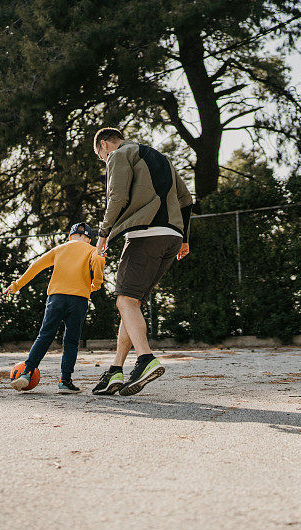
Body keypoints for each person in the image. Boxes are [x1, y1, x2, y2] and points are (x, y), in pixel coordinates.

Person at [90, 127, 193, 396]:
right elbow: (186, 199)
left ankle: (146, 359)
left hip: (146, 234)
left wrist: (103, 234)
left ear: (104, 145)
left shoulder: (120, 154)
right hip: (171, 237)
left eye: (101, 157)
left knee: (124, 300)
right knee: (131, 303)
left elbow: (118, 196)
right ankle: (116, 370)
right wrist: (184, 238)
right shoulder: (161, 157)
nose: (104, 161)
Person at [5, 223, 105, 393]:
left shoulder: (60, 249)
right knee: (71, 340)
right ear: (88, 238)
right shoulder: (91, 250)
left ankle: (27, 372)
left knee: (45, 335)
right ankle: (65, 381)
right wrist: (95, 284)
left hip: (56, 298)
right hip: (79, 299)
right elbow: (98, 261)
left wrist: (16, 285)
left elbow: (36, 266)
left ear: (70, 236)